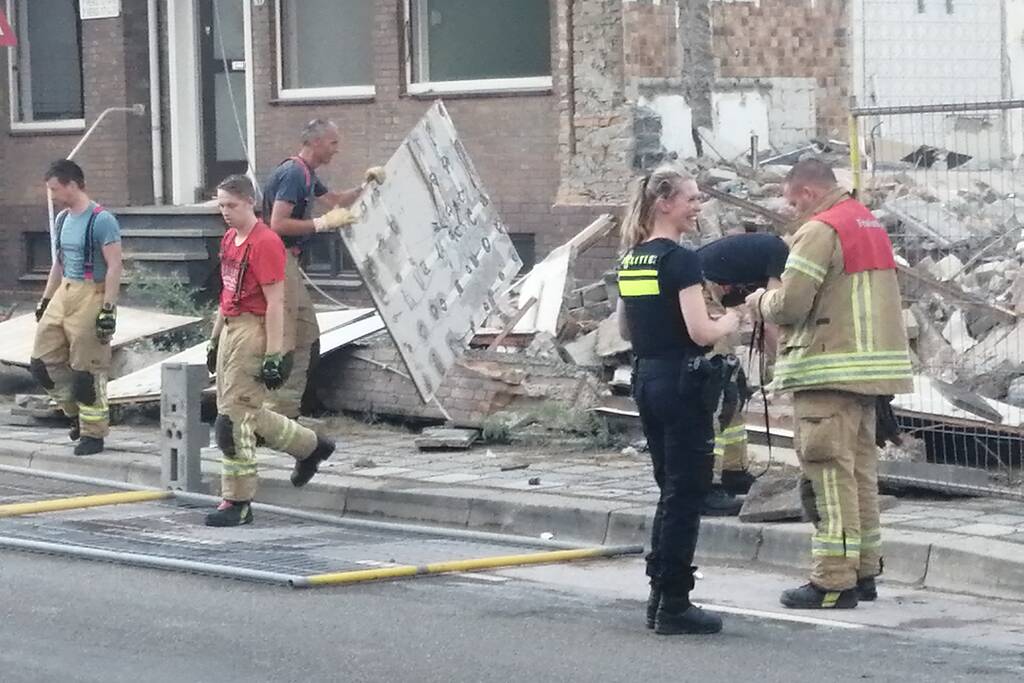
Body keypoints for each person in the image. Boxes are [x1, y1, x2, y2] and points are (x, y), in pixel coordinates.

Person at [745, 159, 912, 609]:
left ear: (808, 192)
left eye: (792, 200)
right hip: (865, 375)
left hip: (826, 370)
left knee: (828, 477)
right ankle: (864, 569)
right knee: (859, 474)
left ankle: (832, 581)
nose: (792, 210)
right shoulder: (866, 222)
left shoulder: (819, 230)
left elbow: (791, 305)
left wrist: (758, 300)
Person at [616, 165, 740, 635]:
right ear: (664, 202)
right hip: (684, 384)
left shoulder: (633, 259)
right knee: (686, 495)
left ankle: (658, 596)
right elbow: (701, 332)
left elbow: (626, 328)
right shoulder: (681, 260)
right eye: (690, 198)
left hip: (647, 380)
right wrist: (731, 318)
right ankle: (674, 604)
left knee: (669, 491)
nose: (697, 206)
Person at [206, 175, 336, 527]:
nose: (225, 213)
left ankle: (238, 500)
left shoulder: (265, 243)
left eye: (231, 205)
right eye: (220, 206)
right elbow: (227, 293)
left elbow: (277, 302)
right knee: (248, 413)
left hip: (256, 329)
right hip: (233, 328)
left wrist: (275, 354)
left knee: (231, 422)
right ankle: (312, 447)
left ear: (250, 202)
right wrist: (215, 337)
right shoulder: (230, 240)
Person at [261, 119, 385, 419]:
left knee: (305, 332)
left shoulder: (306, 173)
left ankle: (286, 411)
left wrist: (365, 184)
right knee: (290, 334)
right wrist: (320, 224)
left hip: (288, 259)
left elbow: (336, 201)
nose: (337, 149)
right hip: (279, 258)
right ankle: (274, 414)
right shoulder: (293, 174)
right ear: (315, 143)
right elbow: (277, 224)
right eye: (333, 142)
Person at [30, 159, 122, 456]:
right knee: (42, 363)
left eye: (55, 189)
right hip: (65, 291)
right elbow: (58, 263)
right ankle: (74, 414)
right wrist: (46, 300)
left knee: (87, 371)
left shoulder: (102, 220)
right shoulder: (62, 220)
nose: (53, 195)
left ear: (72, 184)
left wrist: (108, 309)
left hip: (91, 293)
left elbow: (114, 266)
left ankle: (93, 434)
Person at [696, 232, 789, 514]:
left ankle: (733, 471)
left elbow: (760, 316)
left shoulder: (766, 252)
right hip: (701, 291)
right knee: (717, 384)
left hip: (714, 293)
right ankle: (706, 486)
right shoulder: (780, 253)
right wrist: (787, 368)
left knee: (732, 383)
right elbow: (773, 316)